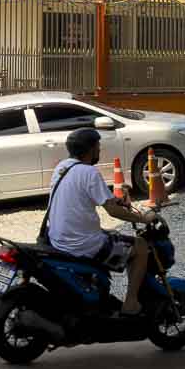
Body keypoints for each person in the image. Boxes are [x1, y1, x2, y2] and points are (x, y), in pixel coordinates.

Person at [44, 125, 154, 315]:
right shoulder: (89, 172)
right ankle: (131, 303)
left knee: (111, 235)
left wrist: (116, 200)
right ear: (91, 149)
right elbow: (113, 211)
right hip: (82, 244)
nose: (99, 151)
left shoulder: (62, 168)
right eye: (98, 147)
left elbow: (94, 197)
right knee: (141, 246)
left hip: (57, 238)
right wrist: (143, 219)